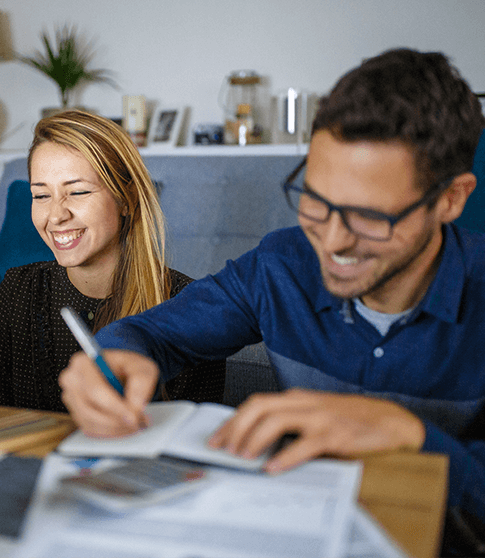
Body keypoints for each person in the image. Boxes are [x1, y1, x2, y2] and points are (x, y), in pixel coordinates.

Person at [58, 50, 485, 554]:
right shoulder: (281, 265)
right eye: (315, 200)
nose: (332, 242)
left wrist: (408, 432)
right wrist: (115, 355)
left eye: (370, 216)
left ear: (452, 199)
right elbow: (153, 333)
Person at [0, 110, 225, 411]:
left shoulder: (188, 307)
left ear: (126, 199)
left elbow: (191, 440)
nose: (56, 215)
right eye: (41, 196)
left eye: (78, 191)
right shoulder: (18, 290)